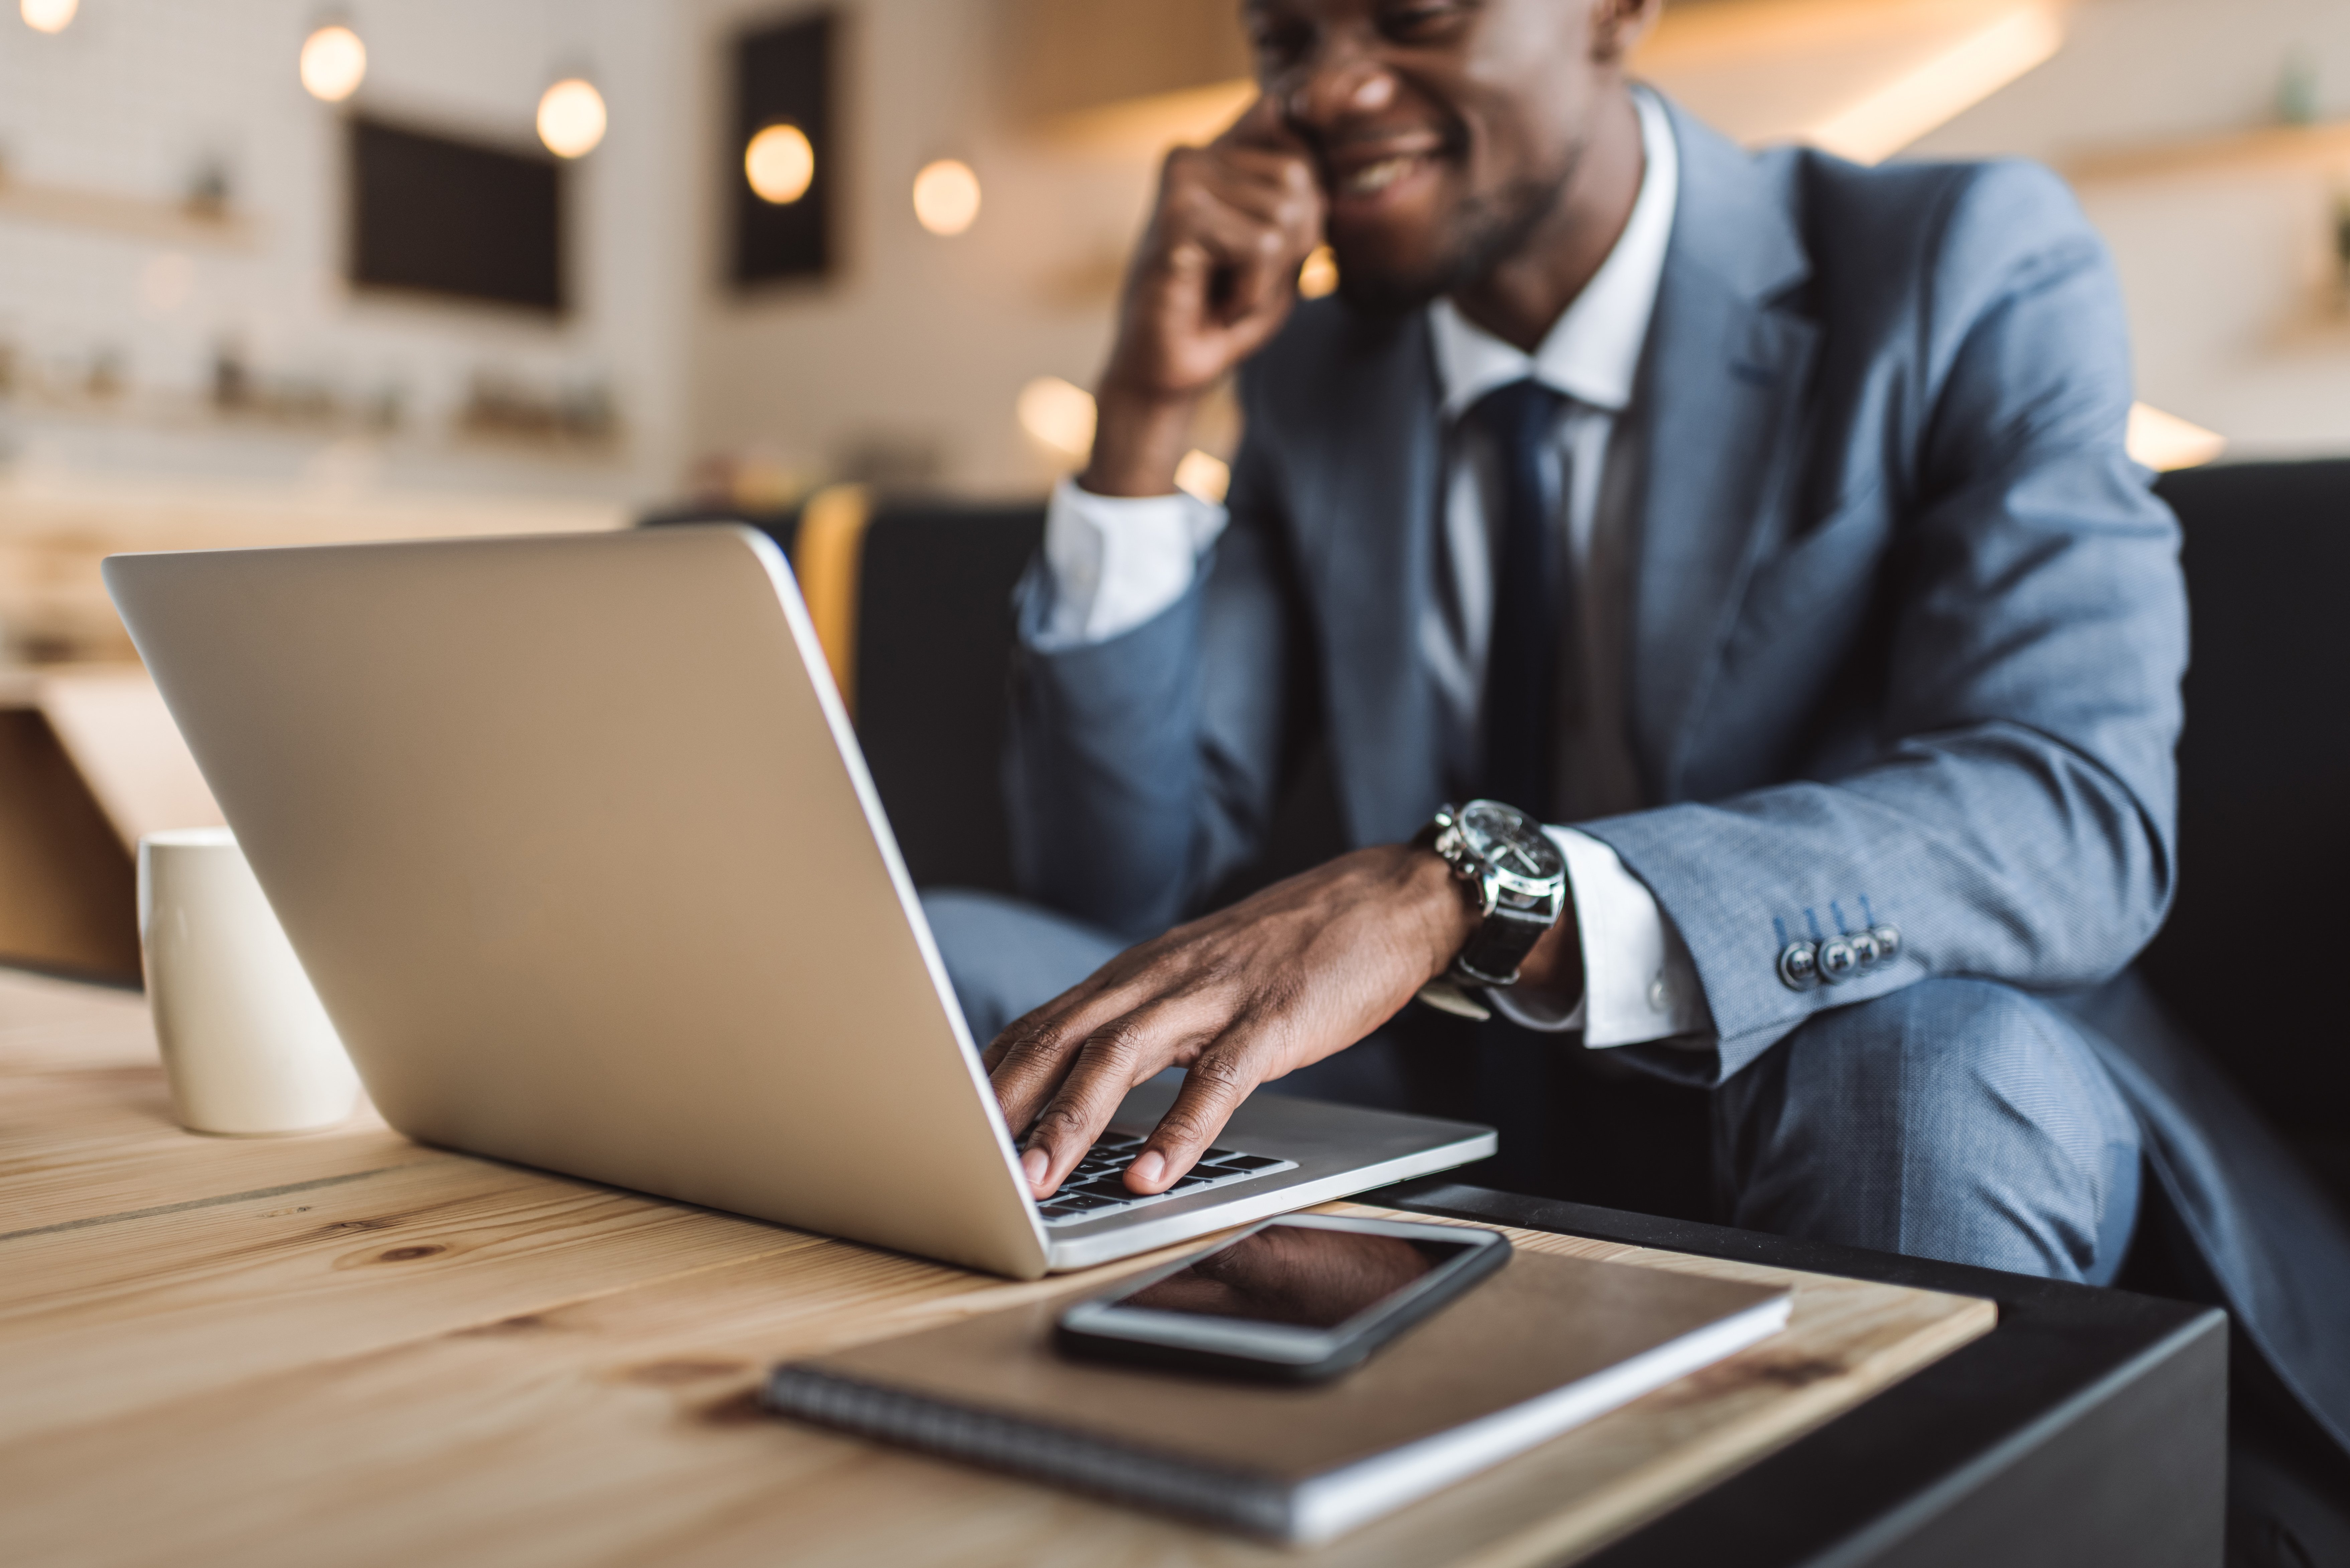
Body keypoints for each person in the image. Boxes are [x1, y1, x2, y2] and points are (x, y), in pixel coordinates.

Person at [923, 0, 2348, 1489]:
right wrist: (1145, 419)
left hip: (1855, 1100)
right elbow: (1117, 882)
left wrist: (1476, 895)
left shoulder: (1962, 259)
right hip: (1455, 1111)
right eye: (1286, 33)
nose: (1332, 88)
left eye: (1412, 15)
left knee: (1917, 1075)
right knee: (969, 968)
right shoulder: (1318, 372)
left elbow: (2072, 815)